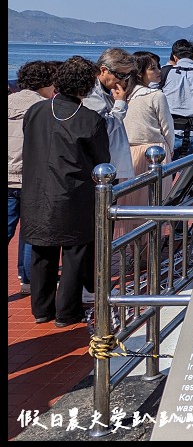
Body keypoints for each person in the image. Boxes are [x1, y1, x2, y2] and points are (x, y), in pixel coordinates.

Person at [21, 56, 110, 327]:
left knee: (41, 250)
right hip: (73, 192)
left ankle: (41, 309)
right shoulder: (90, 120)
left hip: (36, 189)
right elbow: (102, 160)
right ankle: (67, 311)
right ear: (87, 86)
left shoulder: (35, 112)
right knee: (73, 253)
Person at [8, 60, 58, 294]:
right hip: (31, 179)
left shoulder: (8, 102)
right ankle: (30, 282)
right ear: (47, 83)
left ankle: (24, 276)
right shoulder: (45, 108)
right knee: (31, 232)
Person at [119, 52, 174, 223]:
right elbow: (167, 128)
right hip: (155, 153)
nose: (159, 71)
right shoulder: (156, 96)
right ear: (139, 72)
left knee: (130, 206)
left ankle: (131, 246)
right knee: (154, 205)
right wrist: (169, 151)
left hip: (129, 154)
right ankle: (150, 246)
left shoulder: (123, 95)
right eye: (153, 68)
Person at [82, 47, 135, 183]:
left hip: (108, 167)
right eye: (121, 75)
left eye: (128, 76)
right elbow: (103, 129)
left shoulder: (105, 91)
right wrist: (120, 105)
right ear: (104, 70)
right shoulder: (91, 93)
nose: (124, 81)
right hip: (100, 170)